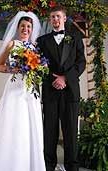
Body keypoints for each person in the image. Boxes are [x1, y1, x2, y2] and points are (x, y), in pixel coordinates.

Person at [0, 11, 46, 171]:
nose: (26, 29)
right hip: (14, 88)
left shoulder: (35, 47)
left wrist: (38, 69)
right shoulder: (12, 44)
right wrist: (13, 69)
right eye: (23, 26)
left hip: (30, 90)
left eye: (28, 26)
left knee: (29, 124)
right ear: (18, 28)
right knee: (12, 122)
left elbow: (38, 67)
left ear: (32, 29)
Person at [37, 6, 86, 171]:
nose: (55, 20)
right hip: (50, 90)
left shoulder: (76, 37)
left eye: (58, 16)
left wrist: (65, 78)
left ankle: (72, 167)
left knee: (71, 132)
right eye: (52, 17)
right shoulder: (42, 41)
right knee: (49, 132)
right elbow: (39, 65)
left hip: (70, 91)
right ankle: (48, 166)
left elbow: (81, 63)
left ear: (64, 18)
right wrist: (55, 79)